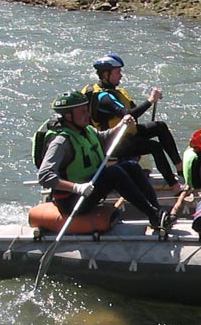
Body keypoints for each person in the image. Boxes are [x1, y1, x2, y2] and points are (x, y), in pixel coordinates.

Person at [37, 91, 161, 225]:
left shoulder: (86, 130)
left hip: (90, 188)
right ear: (68, 116)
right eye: (82, 112)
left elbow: (103, 138)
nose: (87, 115)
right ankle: (153, 214)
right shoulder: (61, 142)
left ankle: (157, 211)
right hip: (72, 200)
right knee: (114, 173)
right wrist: (77, 187)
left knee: (131, 165)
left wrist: (122, 125)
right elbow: (44, 176)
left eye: (87, 110)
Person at [84, 52, 184, 195]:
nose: (121, 75)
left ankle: (179, 168)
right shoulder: (103, 97)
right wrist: (150, 100)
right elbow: (127, 115)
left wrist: (151, 99)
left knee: (160, 126)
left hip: (126, 135)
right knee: (154, 147)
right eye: (118, 72)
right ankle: (174, 185)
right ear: (106, 75)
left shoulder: (115, 92)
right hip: (113, 143)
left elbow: (134, 111)